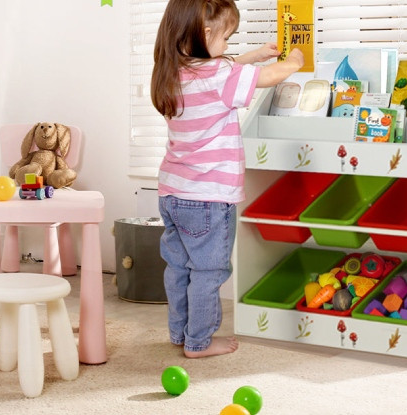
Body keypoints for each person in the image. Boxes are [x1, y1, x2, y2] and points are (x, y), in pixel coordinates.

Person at [151, 0, 304, 358]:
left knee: (179, 267)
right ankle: (199, 342)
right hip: (208, 198)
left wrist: (255, 54)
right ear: (205, 35)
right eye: (226, 38)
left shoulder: (173, 71)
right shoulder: (219, 77)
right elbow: (264, 78)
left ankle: (179, 332)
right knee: (209, 271)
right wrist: (293, 62)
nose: (227, 46)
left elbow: (223, 66)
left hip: (173, 193)